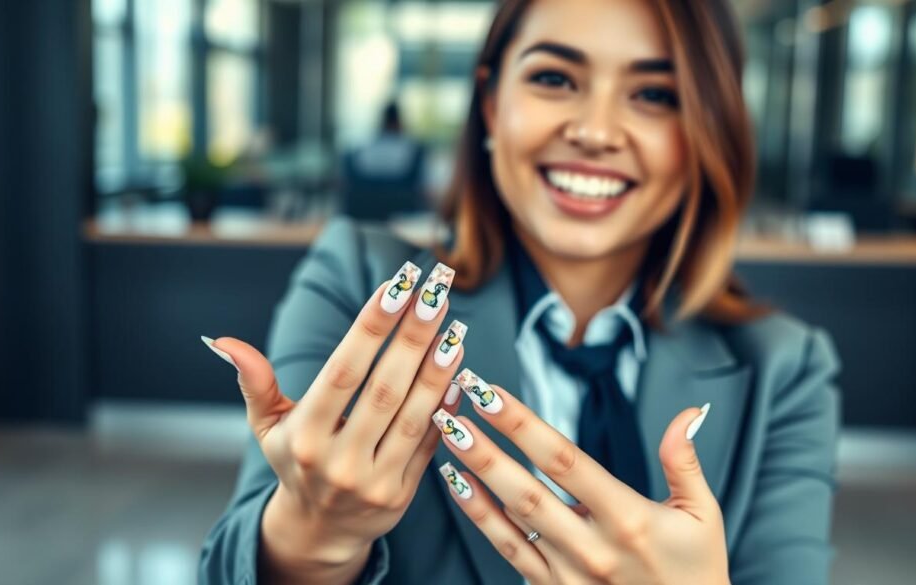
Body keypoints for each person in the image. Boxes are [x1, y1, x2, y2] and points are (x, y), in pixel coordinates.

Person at [199, 0, 842, 583]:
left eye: (653, 93)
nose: (595, 131)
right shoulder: (360, 281)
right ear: (490, 102)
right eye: (555, 79)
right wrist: (312, 537)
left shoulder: (785, 369)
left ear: (708, 132)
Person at [340, 100, 429, 221]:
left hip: (363, 222)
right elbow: (423, 190)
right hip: (404, 223)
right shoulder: (413, 152)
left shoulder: (358, 153)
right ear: (399, 122)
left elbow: (346, 187)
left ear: (381, 122)